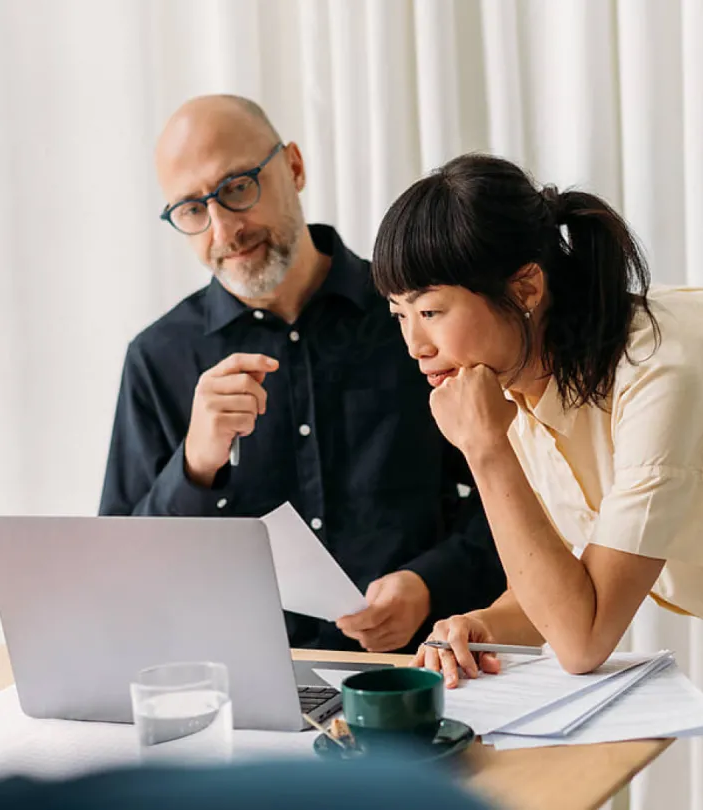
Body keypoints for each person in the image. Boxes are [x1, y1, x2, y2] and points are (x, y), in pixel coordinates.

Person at [368, 152, 703, 770]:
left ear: (526, 287)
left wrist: (485, 452)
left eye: (430, 311)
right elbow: (559, 588)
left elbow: (582, 638)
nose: (414, 345)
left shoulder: (661, 370)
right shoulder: (513, 383)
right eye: (399, 315)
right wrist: (484, 624)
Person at [99, 96, 506, 653]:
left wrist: (429, 585)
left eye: (238, 187)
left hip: (420, 681)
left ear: (294, 166)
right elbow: (117, 577)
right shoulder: (156, 358)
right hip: (239, 697)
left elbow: (516, 501)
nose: (224, 230)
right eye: (192, 210)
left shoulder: (418, 322)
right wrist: (194, 464)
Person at [0, 758, 493, 809]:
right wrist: (194, 474)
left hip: (396, 658)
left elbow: (476, 535)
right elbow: (118, 530)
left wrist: (430, 583)